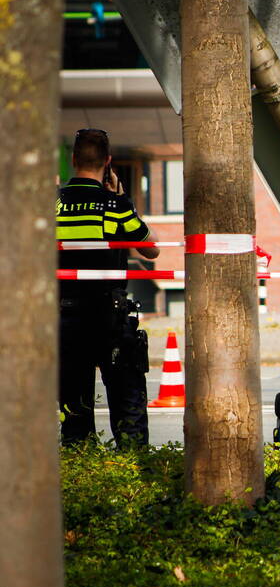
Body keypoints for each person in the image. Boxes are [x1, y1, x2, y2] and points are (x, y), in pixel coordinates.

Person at [57, 128, 160, 447]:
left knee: (74, 413)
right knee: (127, 406)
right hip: (108, 317)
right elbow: (151, 249)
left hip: (65, 318)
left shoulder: (52, 207)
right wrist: (123, 198)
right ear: (108, 162)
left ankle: (80, 474)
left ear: (73, 160)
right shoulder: (113, 206)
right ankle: (132, 475)